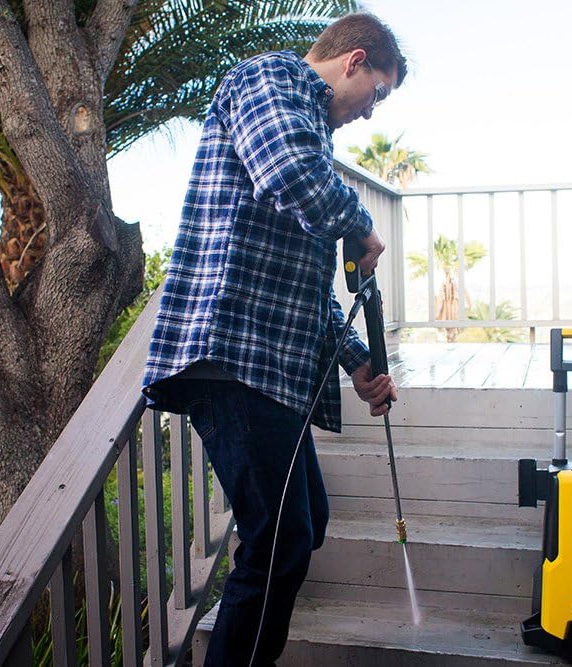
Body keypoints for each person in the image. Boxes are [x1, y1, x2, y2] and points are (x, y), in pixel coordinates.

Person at [141, 12, 406, 666]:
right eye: (378, 93)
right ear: (354, 60)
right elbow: (287, 174)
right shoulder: (270, 82)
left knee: (303, 525)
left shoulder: (312, 135)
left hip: (267, 367)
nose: (371, 113)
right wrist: (360, 222)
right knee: (278, 543)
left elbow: (310, 293)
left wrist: (357, 364)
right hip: (232, 357)